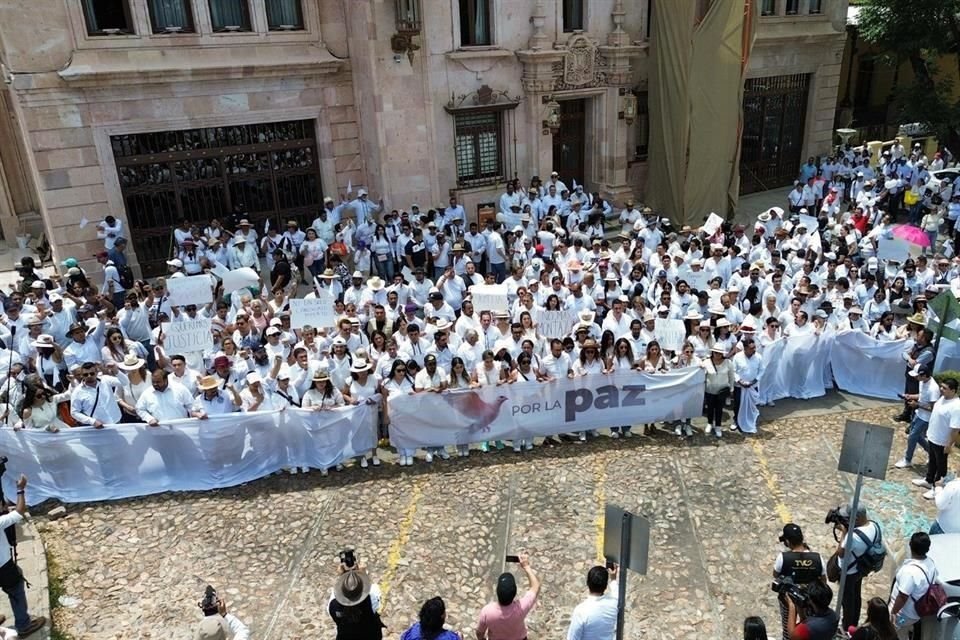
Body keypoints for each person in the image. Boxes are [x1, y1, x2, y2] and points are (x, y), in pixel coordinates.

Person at [0, 474, 46, 637]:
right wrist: (20, 490)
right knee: (16, 590)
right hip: (3, 566)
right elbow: (19, 512)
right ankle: (23, 625)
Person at [773, 523, 827, 640]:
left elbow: (775, 575)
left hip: (788, 599)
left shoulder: (782, 558)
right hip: (810, 600)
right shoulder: (817, 558)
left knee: (787, 627)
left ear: (787, 541)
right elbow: (823, 581)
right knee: (808, 627)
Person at [835, 503, 881, 630]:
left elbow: (841, 553)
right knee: (856, 595)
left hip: (849, 572)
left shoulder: (853, 536)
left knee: (847, 601)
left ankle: (847, 627)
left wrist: (844, 532)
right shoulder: (874, 526)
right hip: (861, 568)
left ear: (856, 518)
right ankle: (854, 622)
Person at [914, 377, 960, 500]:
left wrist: (949, 444)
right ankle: (929, 480)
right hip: (933, 436)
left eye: (945, 388)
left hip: (942, 440)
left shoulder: (956, 406)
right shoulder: (942, 398)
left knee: (941, 465)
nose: (941, 389)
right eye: (941, 386)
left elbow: (955, 428)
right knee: (932, 460)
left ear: (953, 390)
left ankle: (937, 487)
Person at [476, 553, 541, 640]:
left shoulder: (487, 612)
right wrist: (526, 566)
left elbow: (480, 633)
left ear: (497, 591)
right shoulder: (522, 607)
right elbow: (535, 586)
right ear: (514, 593)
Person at [894, 364, 938, 471]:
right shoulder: (922, 382)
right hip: (919, 414)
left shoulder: (933, 389)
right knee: (917, 436)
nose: (915, 378)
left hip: (926, 418)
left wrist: (917, 405)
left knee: (912, 437)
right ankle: (932, 454)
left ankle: (907, 459)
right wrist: (909, 396)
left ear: (924, 375)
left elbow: (933, 408)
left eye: (917, 376)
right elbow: (921, 395)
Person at [328, 557, 385, 640]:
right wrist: (363, 574)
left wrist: (343, 576)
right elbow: (375, 594)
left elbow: (336, 592)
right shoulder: (371, 598)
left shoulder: (333, 605)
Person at [566, 564, 618, 640]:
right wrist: (613, 579)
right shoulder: (614, 603)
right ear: (605, 585)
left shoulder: (581, 611)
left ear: (587, 583)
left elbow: (572, 638)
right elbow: (616, 592)